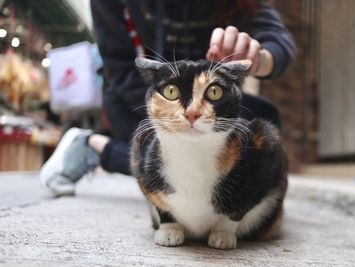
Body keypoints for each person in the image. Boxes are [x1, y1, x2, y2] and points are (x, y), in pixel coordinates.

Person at [40, 0, 295, 196]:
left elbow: (280, 43)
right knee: (174, 169)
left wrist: (258, 58)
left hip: (208, 108)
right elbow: (119, 69)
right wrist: (170, 114)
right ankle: (93, 147)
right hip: (138, 102)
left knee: (266, 124)